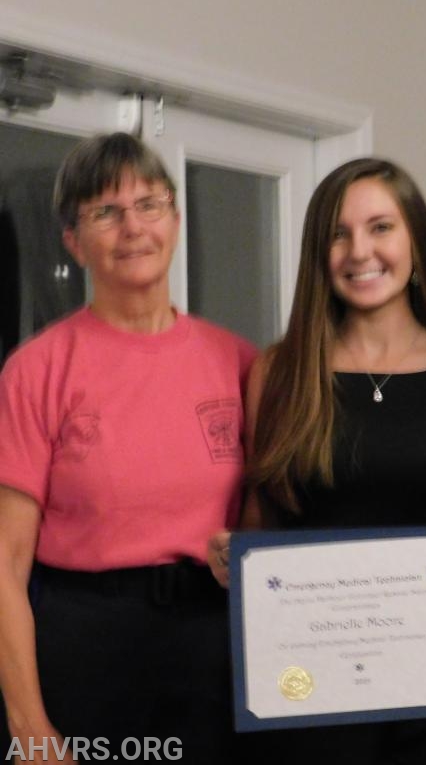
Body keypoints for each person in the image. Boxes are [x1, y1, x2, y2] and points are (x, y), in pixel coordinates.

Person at [209, 156, 426, 764]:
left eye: (381, 227)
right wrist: (233, 560)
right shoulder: (278, 373)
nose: (359, 251)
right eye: (338, 233)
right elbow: (257, 531)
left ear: (415, 240)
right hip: (303, 691)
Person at [0, 133, 257, 764]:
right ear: (72, 241)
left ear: (174, 218)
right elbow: (4, 565)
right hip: (86, 648)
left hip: (216, 644)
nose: (132, 227)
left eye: (149, 204)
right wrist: (28, 722)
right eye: (105, 212)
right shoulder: (36, 371)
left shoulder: (240, 363)